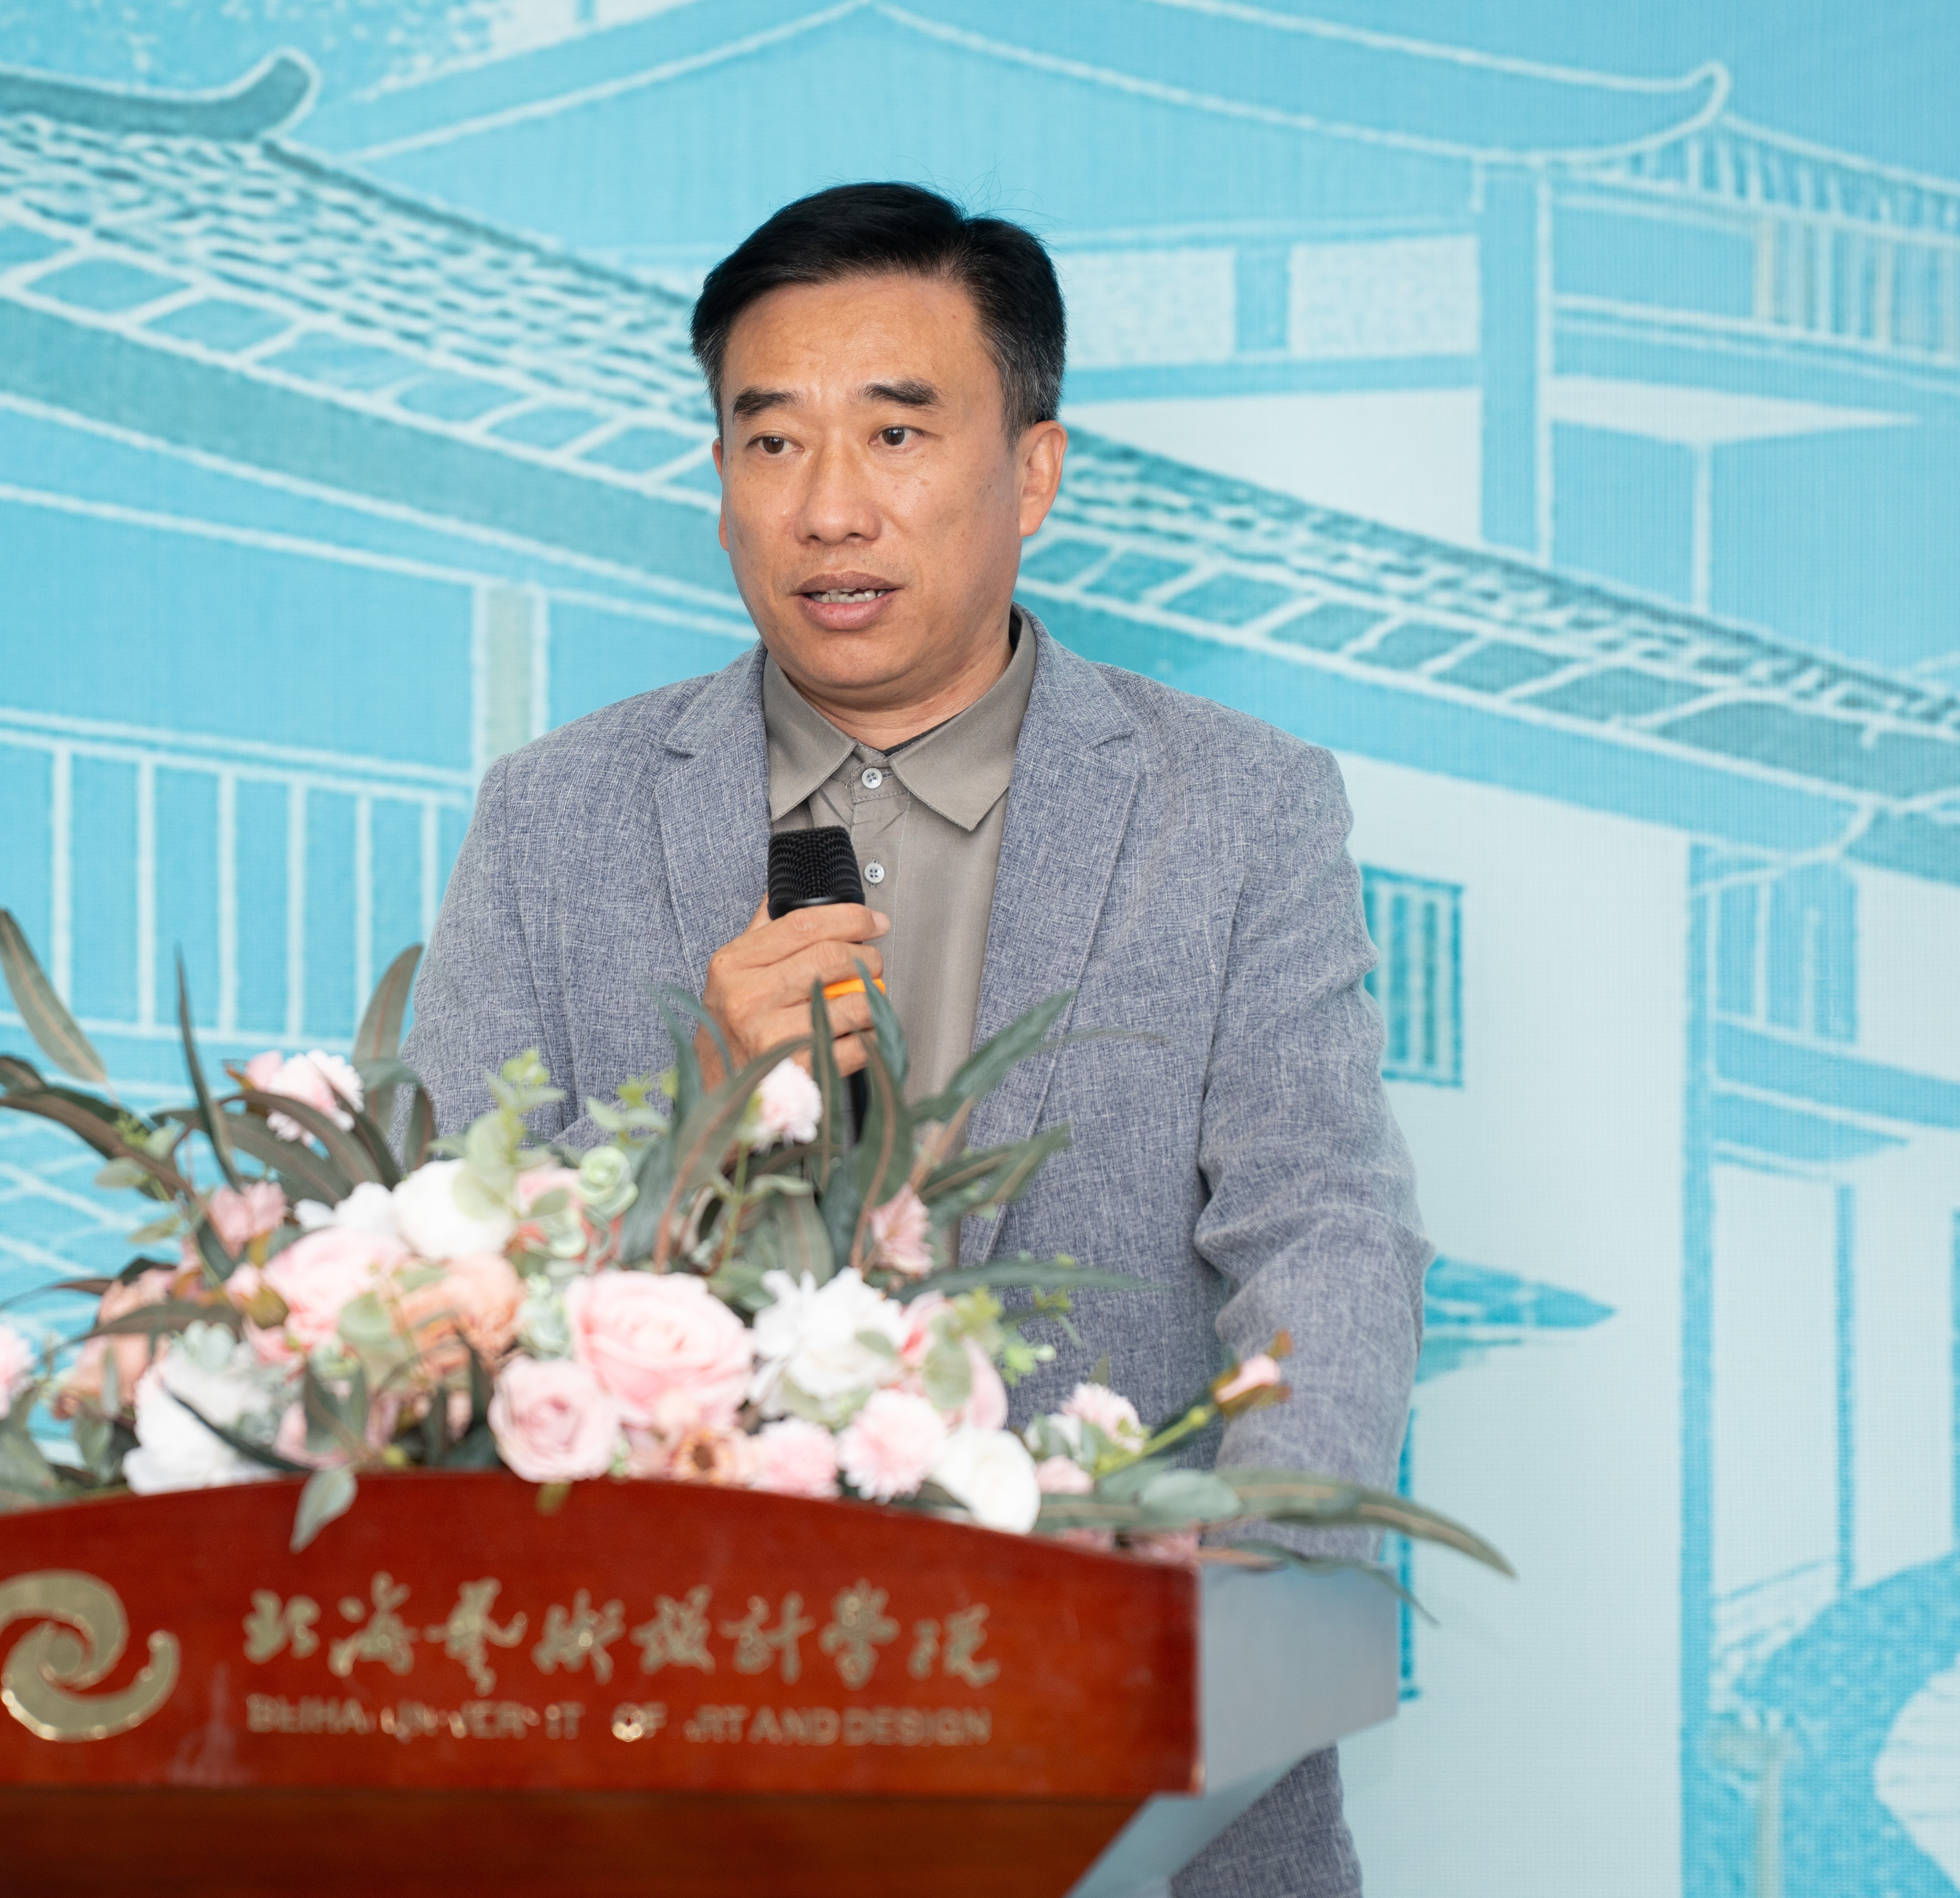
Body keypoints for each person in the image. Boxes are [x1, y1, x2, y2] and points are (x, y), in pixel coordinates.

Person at [404, 182, 1428, 1898]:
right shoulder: (552, 815)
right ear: (718, 476)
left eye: (895, 433)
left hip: (1138, 1780)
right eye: (770, 441)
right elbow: (437, 1259)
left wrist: (1243, 1616)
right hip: (666, 1778)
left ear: (1032, 470)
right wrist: (696, 1108)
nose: (829, 508)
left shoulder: (1237, 808)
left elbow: (1322, 1223)